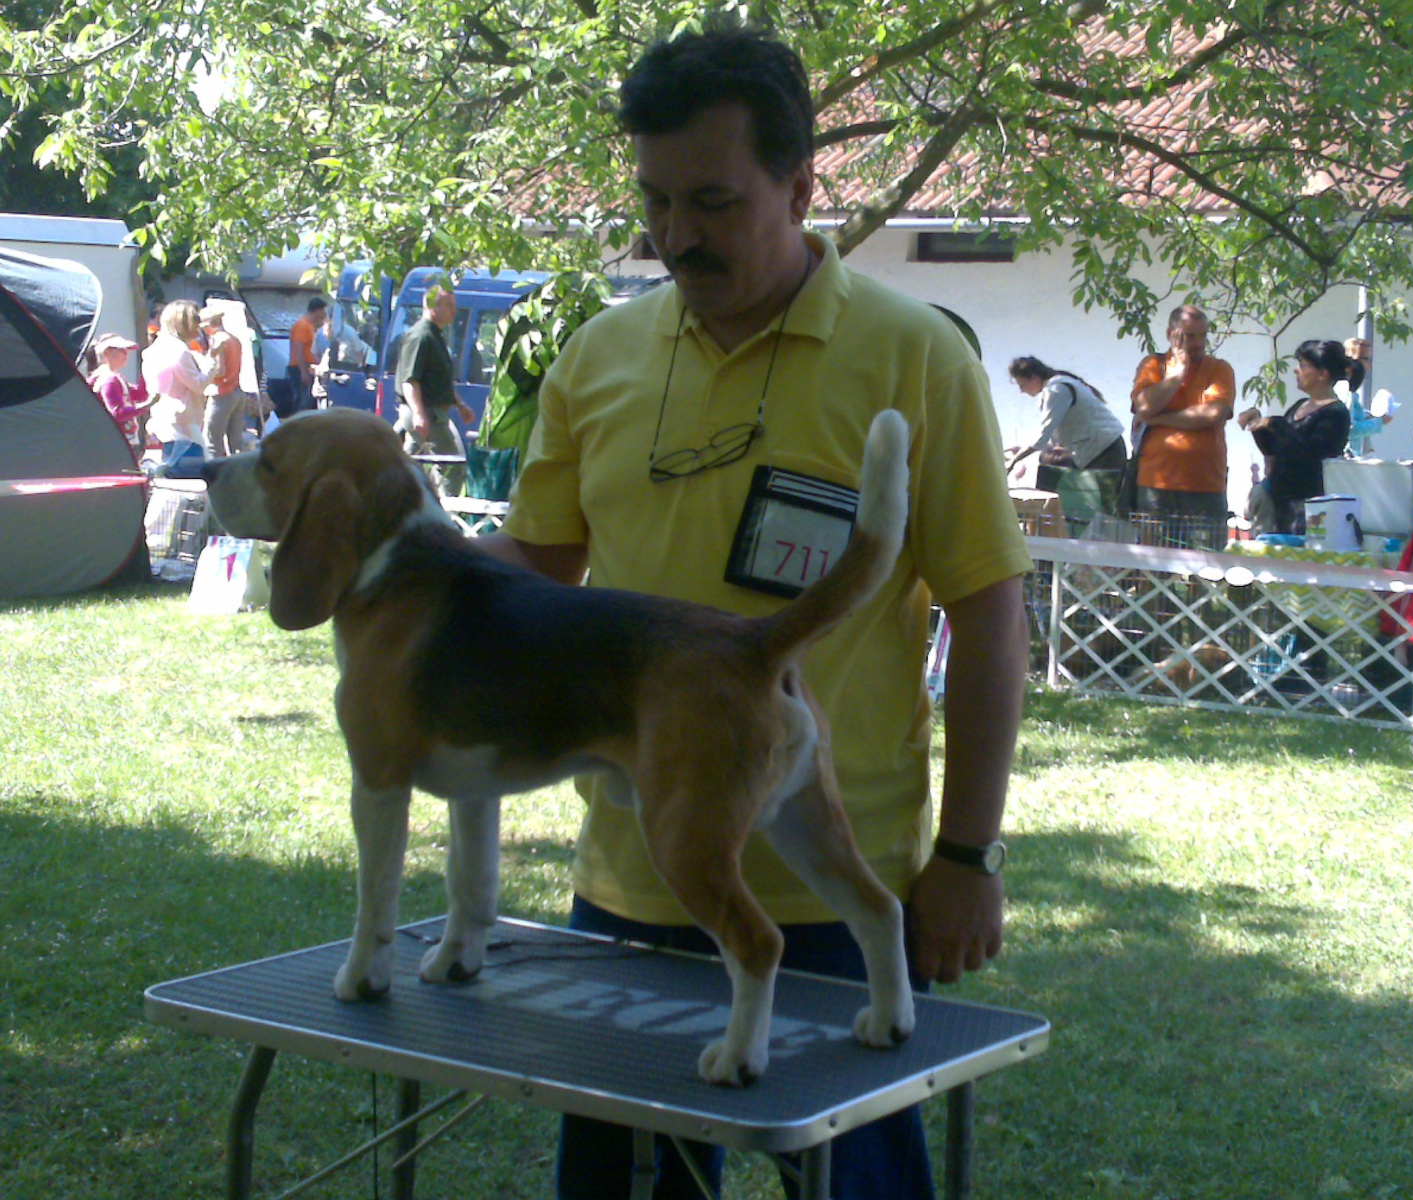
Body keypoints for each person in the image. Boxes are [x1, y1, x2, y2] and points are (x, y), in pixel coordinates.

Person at [480, 26, 1031, 1200]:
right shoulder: (596, 356)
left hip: (837, 890)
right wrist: (391, 570)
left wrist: (968, 855)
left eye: (715, 203)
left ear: (799, 185)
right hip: (631, 878)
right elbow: (531, 568)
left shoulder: (915, 357)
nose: (676, 235)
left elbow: (988, 615)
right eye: (656, 199)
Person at [1129, 304, 1236, 543]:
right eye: (1189, 336)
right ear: (1171, 335)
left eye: (1202, 335)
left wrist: (1159, 419)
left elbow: (1213, 414)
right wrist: (1176, 376)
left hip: (1206, 486)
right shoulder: (1153, 366)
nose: (1197, 343)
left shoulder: (1219, 369)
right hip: (1156, 483)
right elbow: (1145, 406)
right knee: (1153, 566)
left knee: (1206, 570)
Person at [1235, 340, 1358, 534]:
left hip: (1306, 511)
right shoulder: (1299, 405)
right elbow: (1276, 448)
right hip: (1275, 502)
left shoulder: (1336, 413)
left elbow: (1309, 452)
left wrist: (1274, 423)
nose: (1296, 370)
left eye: (1303, 365)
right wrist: (1258, 425)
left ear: (1322, 374)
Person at [1006, 355, 1126, 512]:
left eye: (1022, 385)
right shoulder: (1057, 386)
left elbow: (1042, 437)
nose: (1021, 391)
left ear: (1034, 377)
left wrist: (1014, 461)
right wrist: (1023, 449)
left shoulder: (1056, 390)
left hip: (1105, 451)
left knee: (1101, 511)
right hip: (1101, 450)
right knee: (1094, 510)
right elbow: (1050, 438)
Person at [393, 284, 475, 465]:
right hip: (427, 414)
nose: (455, 311)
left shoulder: (435, 335)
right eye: (449, 305)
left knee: (408, 466)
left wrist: (460, 405)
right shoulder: (421, 337)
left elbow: (438, 380)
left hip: (431, 413)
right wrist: (419, 414)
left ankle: (391, 491)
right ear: (432, 306)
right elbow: (410, 381)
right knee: (450, 467)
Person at [142, 300, 213, 475]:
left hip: (167, 419)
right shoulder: (179, 351)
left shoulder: (156, 348)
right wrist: (213, 364)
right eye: (196, 320)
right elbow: (198, 384)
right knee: (187, 479)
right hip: (184, 425)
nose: (200, 325)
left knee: (172, 473)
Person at [86, 332, 150, 452]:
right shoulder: (109, 379)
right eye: (121, 350)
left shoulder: (114, 378)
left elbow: (140, 394)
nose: (126, 354)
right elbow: (118, 413)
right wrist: (144, 407)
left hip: (119, 440)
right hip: (117, 441)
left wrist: (147, 370)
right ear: (106, 354)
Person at [199, 302, 249, 457]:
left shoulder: (217, 340)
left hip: (222, 392)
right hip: (238, 391)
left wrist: (204, 373)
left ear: (207, 326)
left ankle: (217, 476)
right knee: (236, 442)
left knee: (213, 440)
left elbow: (220, 370)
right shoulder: (234, 339)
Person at [1340, 336, 1391, 456]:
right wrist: (1379, 422)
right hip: (1345, 457)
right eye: (1365, 359)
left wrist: (1369, 416)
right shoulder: (1345, 391)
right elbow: (1349, 428)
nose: (1369, 365)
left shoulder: (1350, 392)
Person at [285, 297, 328, 417]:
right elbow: (298, 350)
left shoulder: (310, 325)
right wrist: (303, 372)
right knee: (302, 402)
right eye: (323, 311)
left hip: (308, 367)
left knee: (307, 402)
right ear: (317, 310)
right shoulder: (302, 325)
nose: (324, 314)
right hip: (299, 368)